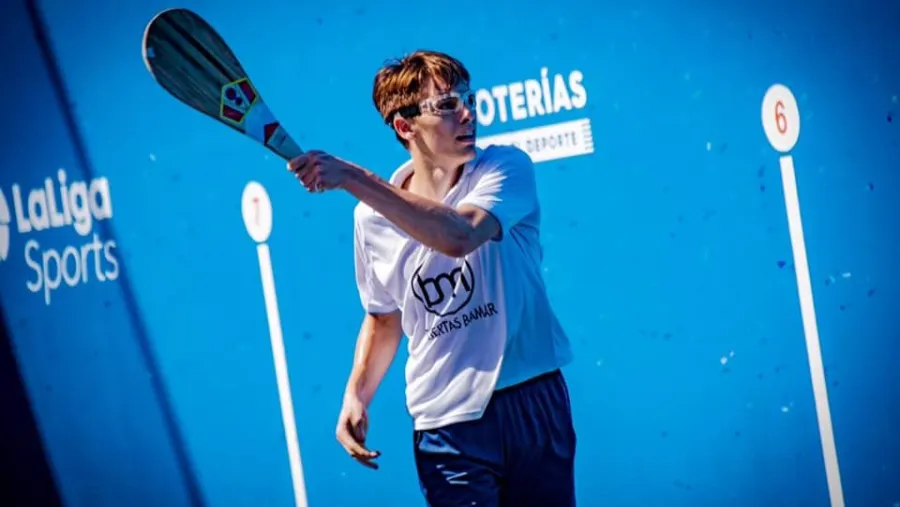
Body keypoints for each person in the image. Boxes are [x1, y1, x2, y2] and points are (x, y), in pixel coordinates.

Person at [286, 50, 577, 507]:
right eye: (445, 106)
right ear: (405, 126)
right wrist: (357, 394)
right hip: (446, 427)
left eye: (467, 99)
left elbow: (459, 235)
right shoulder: (370, 220)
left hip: (533, 401)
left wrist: (353, 177)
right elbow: (384, 318)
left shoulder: (504, 168)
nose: (467, 113)